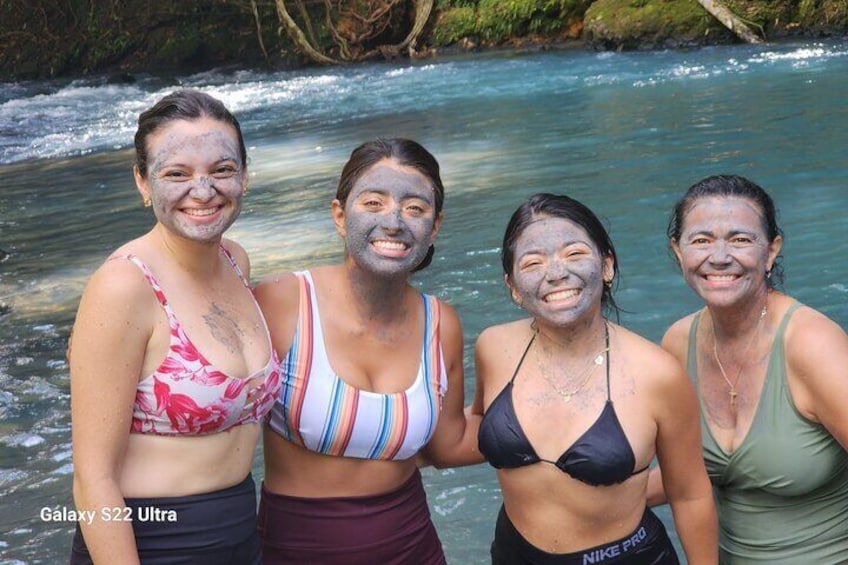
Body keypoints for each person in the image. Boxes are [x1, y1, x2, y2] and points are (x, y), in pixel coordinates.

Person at [69, 90, 280, 564]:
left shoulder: (235, 260)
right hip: (154, 546)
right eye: (176, 174)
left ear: (245, 175)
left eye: (222, 170)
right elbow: (92, 477)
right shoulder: (123, 286)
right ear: (143, 184)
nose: (202, 191)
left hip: (241, 536)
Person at [254, 138, 482, 564]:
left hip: (413, 546)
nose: (394, 222)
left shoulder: (441, 323)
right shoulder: (281, 302)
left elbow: (447, 446)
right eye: (373, 203)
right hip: (295, 550)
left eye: (416, 209)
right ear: (339, 215)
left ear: (434, 227)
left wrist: (542, 418)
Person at [473, 193, 718, 564]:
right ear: (513, 286)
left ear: (606, 265)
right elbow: (473, 423)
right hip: (512, 553)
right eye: (533, 261)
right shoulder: (494, 347)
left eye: (574, 254)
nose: (556, 272)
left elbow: (689, 494)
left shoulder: (657, 373)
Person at [648, 174, 848, 563]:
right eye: (701, 240)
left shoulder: (812, 344)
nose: (719, 256)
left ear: (771, 251)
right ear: (678, 251)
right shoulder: (677, 342)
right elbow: (687, 477)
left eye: (740, 240)